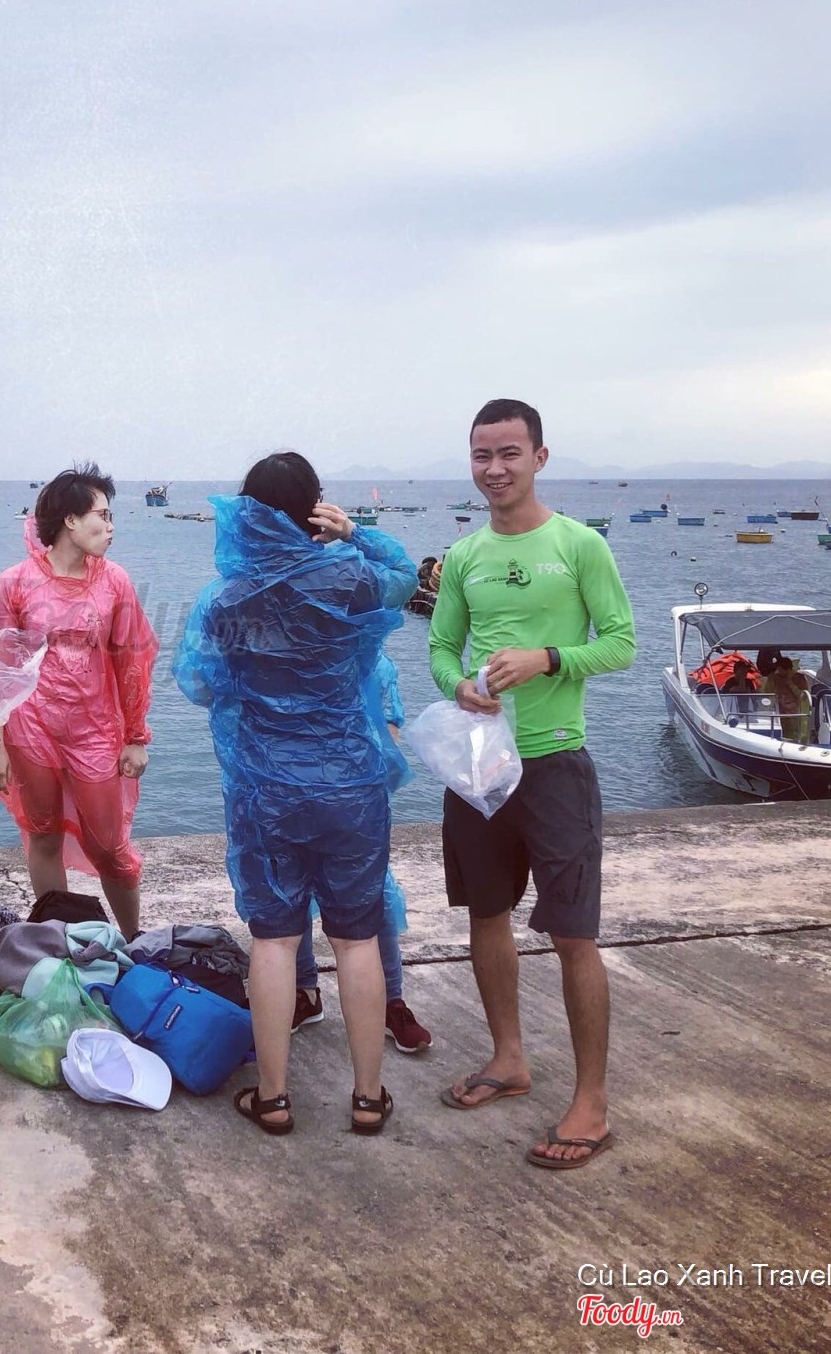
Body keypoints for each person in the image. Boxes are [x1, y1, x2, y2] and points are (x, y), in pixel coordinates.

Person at [175, 452, 417, 1136]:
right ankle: (367, 1096)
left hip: (266, 789)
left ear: (248, 513)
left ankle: (274, 1097)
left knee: (275, 942)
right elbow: (406, 579)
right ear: (314, 509)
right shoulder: (351, 578)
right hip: (350, 784)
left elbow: (200, 684)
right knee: (357, 939)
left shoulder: (227, 597)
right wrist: (356, 531)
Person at [429, 398, 634, 1170]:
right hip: (481, 764)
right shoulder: (465, 555)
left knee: (574, 933)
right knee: (487, 914)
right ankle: (508, 1057)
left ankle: (592, 1101)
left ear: (540, 457)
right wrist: (459, 685)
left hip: (555, 762)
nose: (495, 468)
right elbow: (441, 648)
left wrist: (549, 658)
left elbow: (621, 642)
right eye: (482, 454)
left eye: (509, 452)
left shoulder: (579, 545)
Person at [0, 464, 157, 938]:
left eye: (111, 517)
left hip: (94, 728)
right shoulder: (15, 583)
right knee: (43, 834)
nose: (110, 527)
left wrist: (135, 737)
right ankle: (57, 941)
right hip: (29, 727)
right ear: (70, 520)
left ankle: (133, 941)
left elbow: (133, 662)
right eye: (102, 516)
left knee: (109, 846)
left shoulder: (115, 582)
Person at [292, 653, 431, 1055]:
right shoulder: (286, 654)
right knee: (289, 895)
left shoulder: (374, 663)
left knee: (376, 896)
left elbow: (389, 731)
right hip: (290, 791)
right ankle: (304, 991)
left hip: (355, 797)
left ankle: (391, 1000)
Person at [763, 655, 812, 743]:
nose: (778, 671)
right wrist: (771, 680)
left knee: (794, 734)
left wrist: (790, 684)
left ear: (788, 669)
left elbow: (803, 696)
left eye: (780, 670)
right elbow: (767, 693)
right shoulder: (775, 677)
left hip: (795, 712)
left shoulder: (799, 678)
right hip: (779, 710)